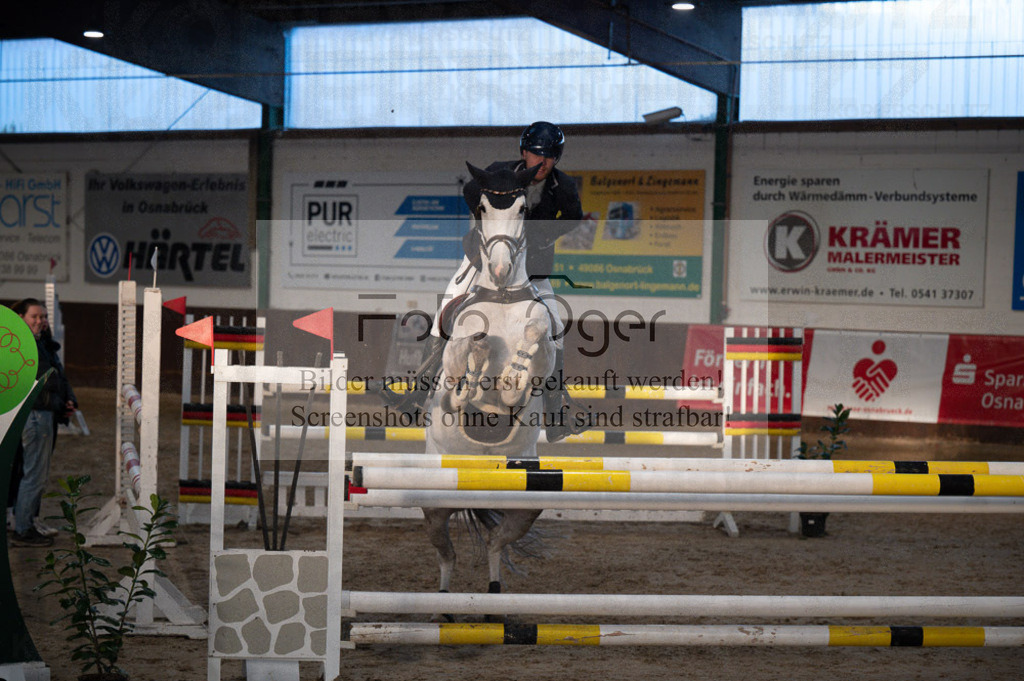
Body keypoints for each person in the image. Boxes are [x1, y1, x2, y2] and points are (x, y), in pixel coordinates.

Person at [384, 121, 588, 442]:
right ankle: (418, 395)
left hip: (531, 267)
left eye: (548, 156)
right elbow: (470, 191)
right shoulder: (499, 173)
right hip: (484, 260)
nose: (541, 161)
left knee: (556, 327)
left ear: (556, 158)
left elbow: (574, 216)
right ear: (523, 152)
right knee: (445, 310)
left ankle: (556, 411)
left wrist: (543, 235)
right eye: (535, 154)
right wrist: (488, 227)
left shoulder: (562, 186)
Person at [8, 298, 77, 547]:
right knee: (34, 475)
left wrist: (66, 400)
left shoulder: (36, 342)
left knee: (30, 472)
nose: (41, 321)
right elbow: (46, 381)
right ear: (21, 318)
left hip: (38, 413)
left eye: (43, 317)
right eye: (35, 317)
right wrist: (60, 400)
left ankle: (22, 522)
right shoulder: (26, 346)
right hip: (36, 415)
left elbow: (57, 377)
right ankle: (23, 529)